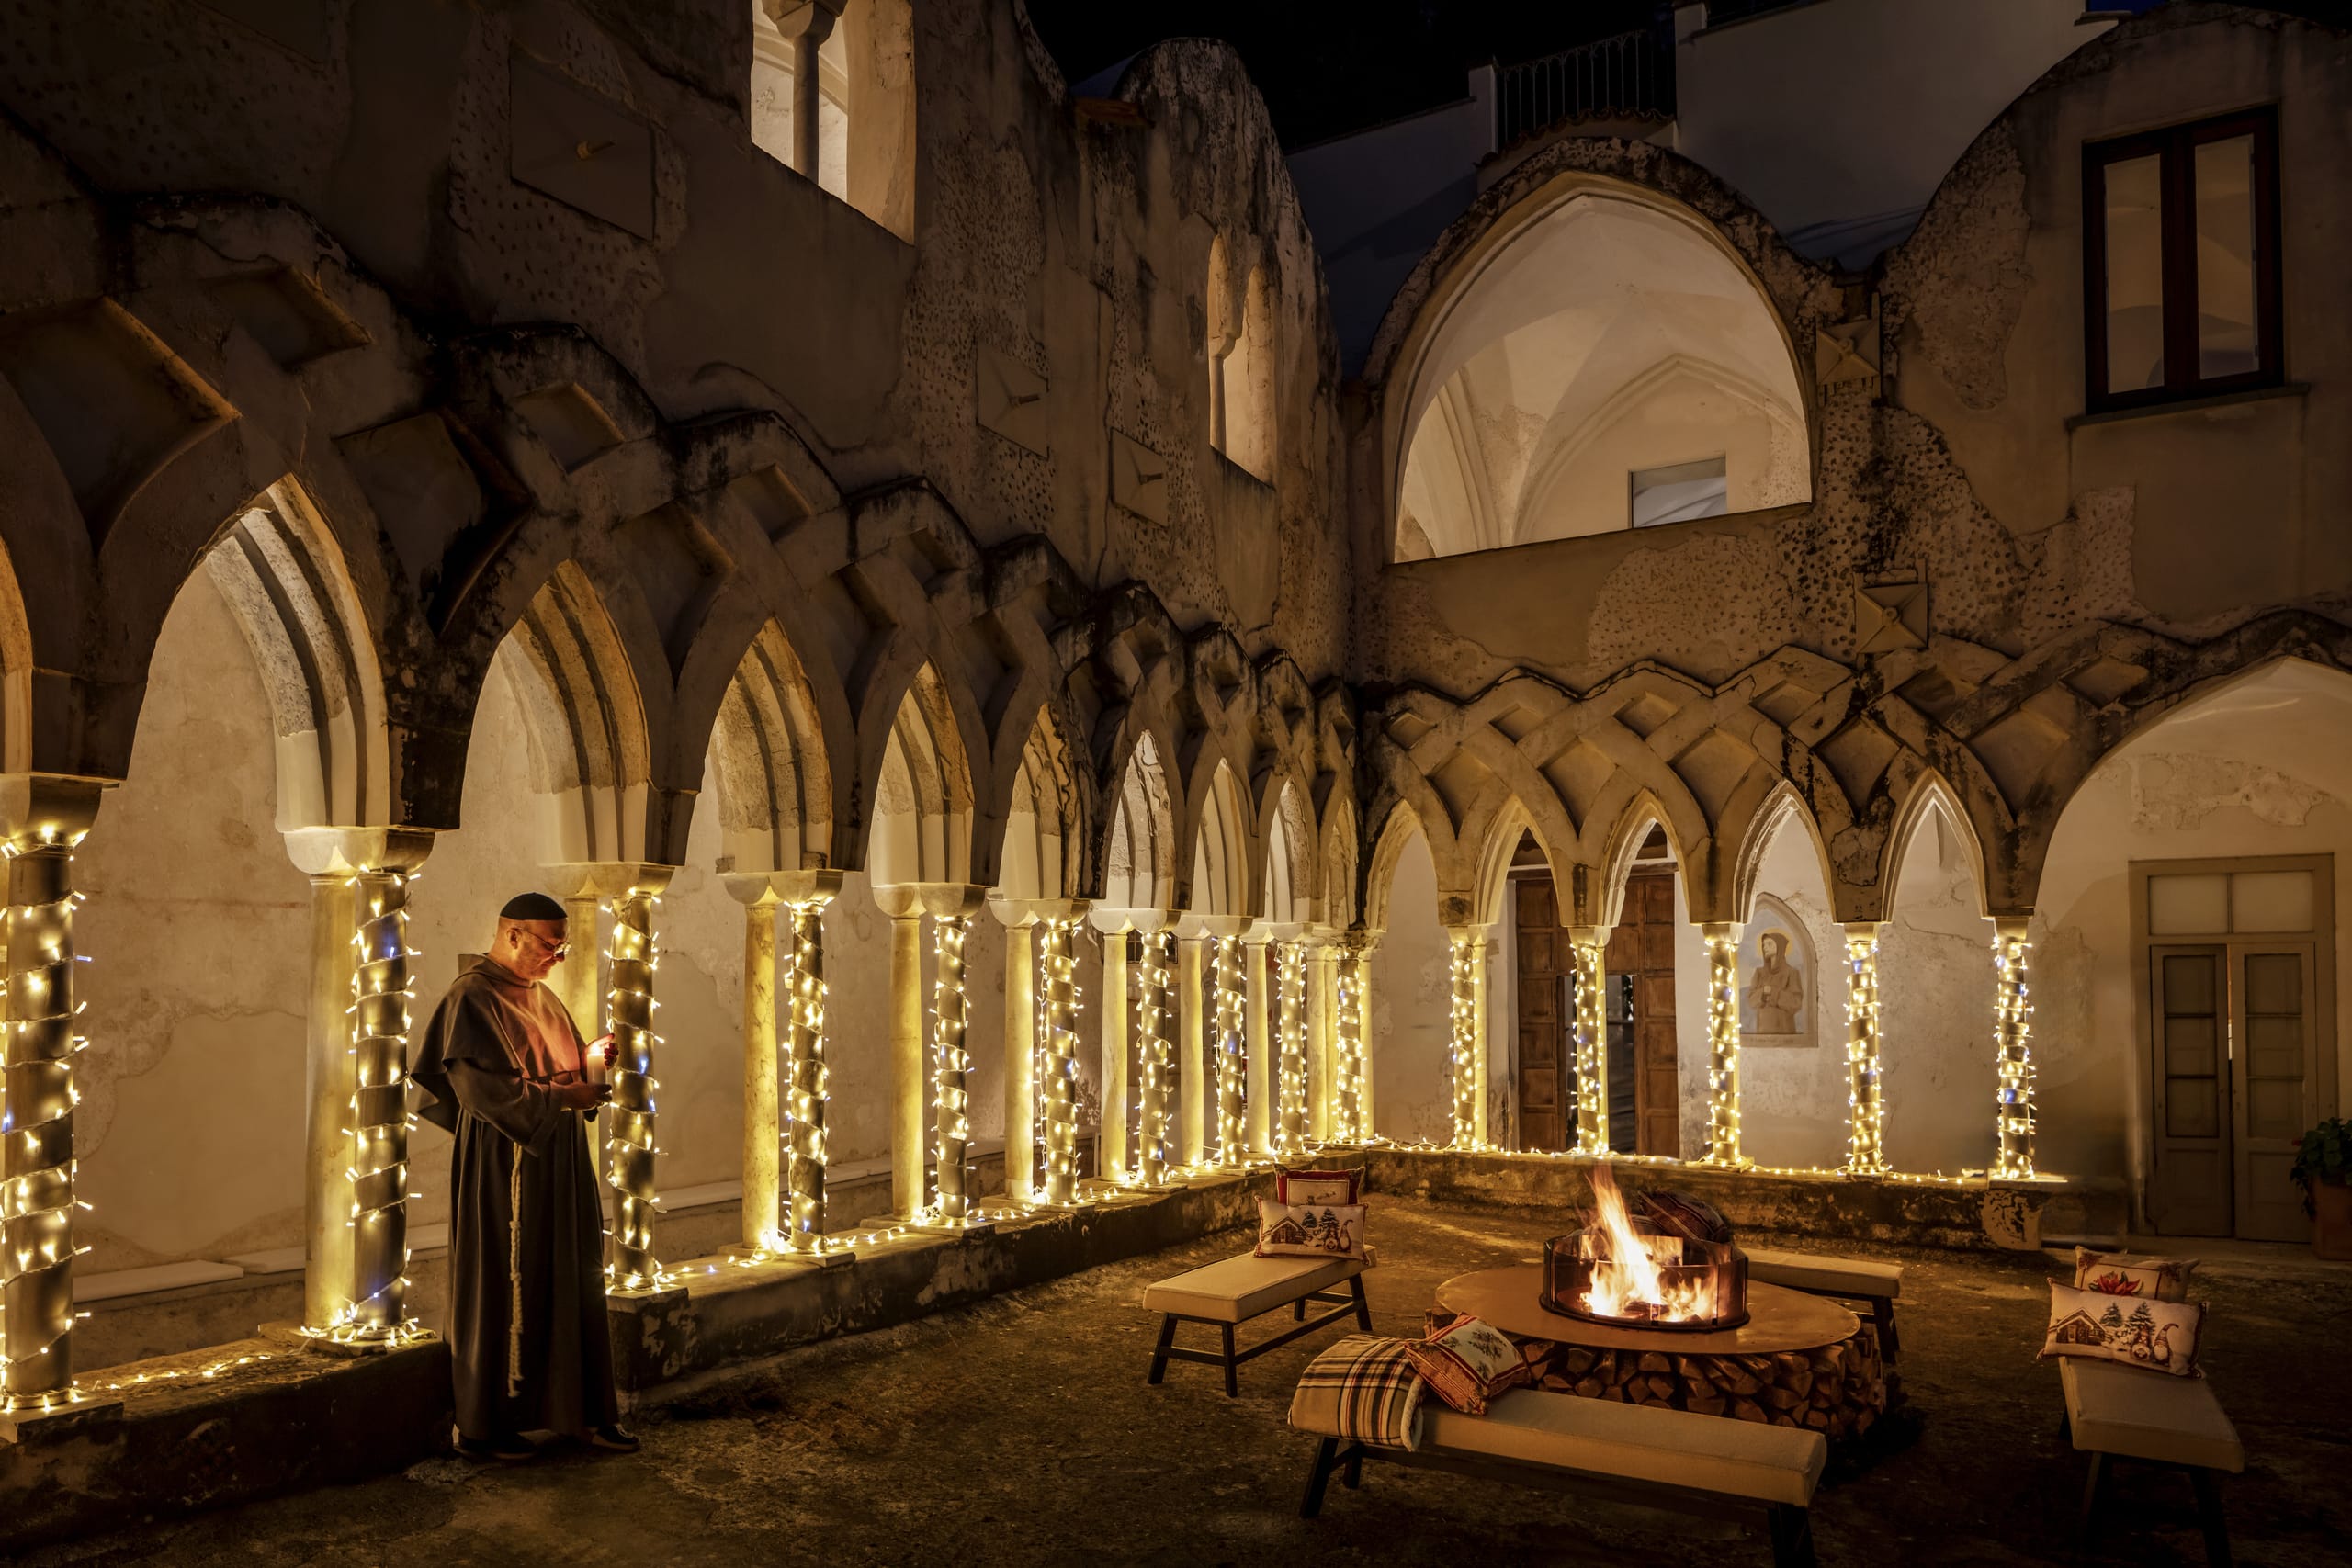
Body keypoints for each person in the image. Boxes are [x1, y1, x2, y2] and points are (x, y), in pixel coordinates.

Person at [413, 891, 638, 1461]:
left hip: (558, 1161)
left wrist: (588, 1060)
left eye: (564, 947)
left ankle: (581, 1413)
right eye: (549, 945)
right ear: (512, 934)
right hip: (504, 1163)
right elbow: (482, 1092)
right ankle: (485, 1426)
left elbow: (553, 1068)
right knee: (504, 1280)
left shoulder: (543, 996)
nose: (557, 958)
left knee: (574, 1277)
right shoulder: (471, 999)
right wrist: (566, 1094)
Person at [1745, 929, 1804, 1035]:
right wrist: (1763, 992)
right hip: (1763, 1030)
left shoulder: (1791, 972)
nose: (1765, 947)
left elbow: (1796, 1003)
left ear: (1779, 946)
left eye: (1769, 944)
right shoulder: (1759, 973)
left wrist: (1773, 992)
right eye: (1763, 945)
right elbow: (1751, 1000)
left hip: (1785, 1029)